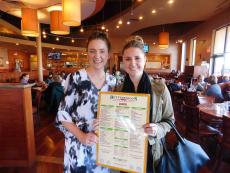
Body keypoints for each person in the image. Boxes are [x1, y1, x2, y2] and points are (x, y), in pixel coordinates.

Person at [56, 31, 115, 173]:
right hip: (78, 144)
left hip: (102, 146)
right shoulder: (75, 78)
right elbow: (62, 114)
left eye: (102, 51)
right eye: (92, 51)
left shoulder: (112, 81)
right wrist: (81, 136)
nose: (97, 56)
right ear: (87, 53)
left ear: (108, 54)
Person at [116, 36, 174, 172]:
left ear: (145, 60)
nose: (132, 63)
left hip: (150, 150)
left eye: (137, 58)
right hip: (124, 150)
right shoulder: (117, 89)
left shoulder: (159, 88)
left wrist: (157, 129)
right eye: (128, 59)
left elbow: (170, 120)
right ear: (123, 61)